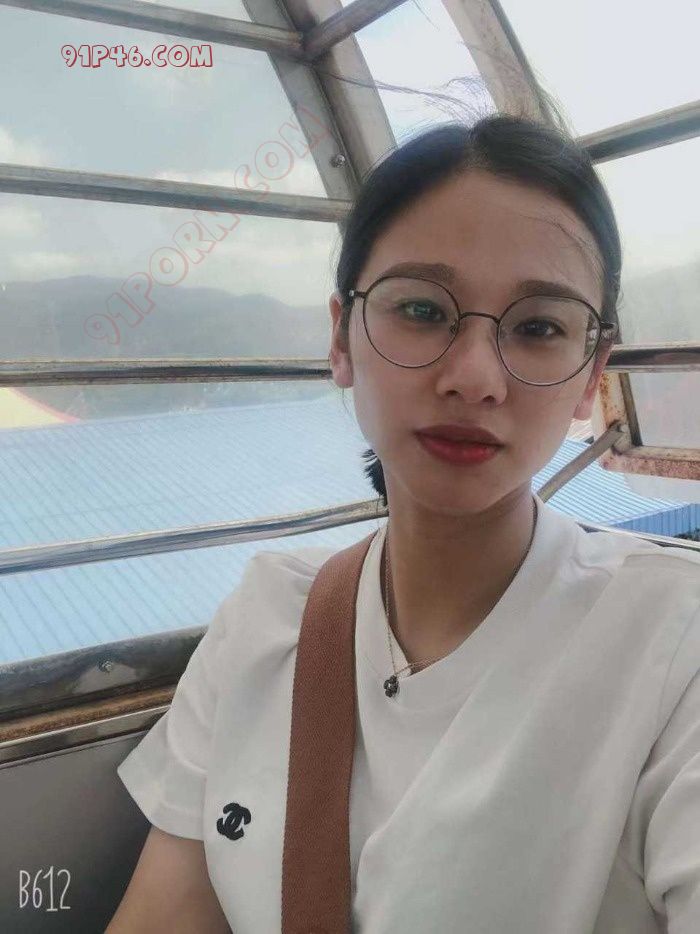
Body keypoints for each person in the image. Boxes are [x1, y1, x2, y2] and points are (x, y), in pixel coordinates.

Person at [108, 113, 700, 933]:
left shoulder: (672, 648)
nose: (474, 377)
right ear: (340, 338)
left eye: (538, 328)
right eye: (422, 309)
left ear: (590, 373)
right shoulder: (268, 619)